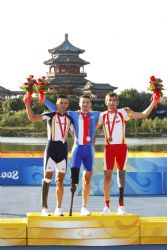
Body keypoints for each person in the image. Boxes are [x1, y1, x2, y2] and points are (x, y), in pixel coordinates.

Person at [96, 92, 159, 215]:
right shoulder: (101, 116)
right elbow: (91, 129)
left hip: (122, 148)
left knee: (121, 176)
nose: (112, 102)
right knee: (107, 176)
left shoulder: (124, 112)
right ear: (106, 102)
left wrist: (154, 102)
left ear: (117, 102)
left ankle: (121, 206)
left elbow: (143, 115)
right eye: (110, 100)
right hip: (109, 148)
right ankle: (107, 206)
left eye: (114, 100)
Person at [44, 95, 100, 216]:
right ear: (79, 104)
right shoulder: (73, 114)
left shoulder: (96, 114)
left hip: (89, 150)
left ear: (90, 104)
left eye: (87, 102)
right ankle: (62, 207)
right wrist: (44, 99)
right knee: (74, 181)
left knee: (88, 177)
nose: (85, 104)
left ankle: (84, 207)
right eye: (83, 102)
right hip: (77, 150)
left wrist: (94, 133)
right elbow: (56, 108)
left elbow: (108, 117)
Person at [23, 94, 74, 216]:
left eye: (65, 103)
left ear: (68, 105)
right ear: (56, 104)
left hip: (63, 151)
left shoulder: (70, 119)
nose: (63, 105)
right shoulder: (50, 115)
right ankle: (44, 208)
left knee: (60, 181)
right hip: (51, 150)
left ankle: (58, 209)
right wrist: (27, 104)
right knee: (47, 178)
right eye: (61, 103)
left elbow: (76, 136)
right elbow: (33, 118)